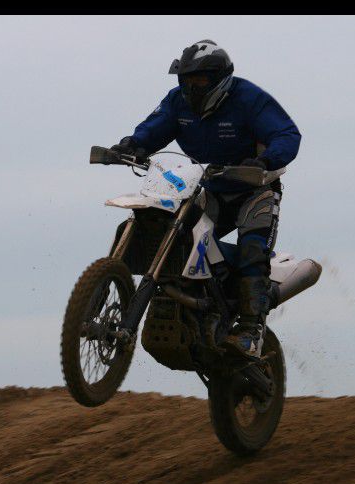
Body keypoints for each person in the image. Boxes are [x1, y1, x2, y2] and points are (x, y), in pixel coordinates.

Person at [111, 39, 301, 357]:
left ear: (219, 80)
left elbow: (287, 134)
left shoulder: (248, 99)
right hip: (210, 188)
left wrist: (266, 161)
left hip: (255, 187)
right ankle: (196, 300)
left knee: (253, 248)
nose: (191, 87)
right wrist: (133, 144)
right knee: (178, 233)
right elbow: (155, 127)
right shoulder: (178, 102)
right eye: (185, 80)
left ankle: (251, 331)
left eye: (198, 80)